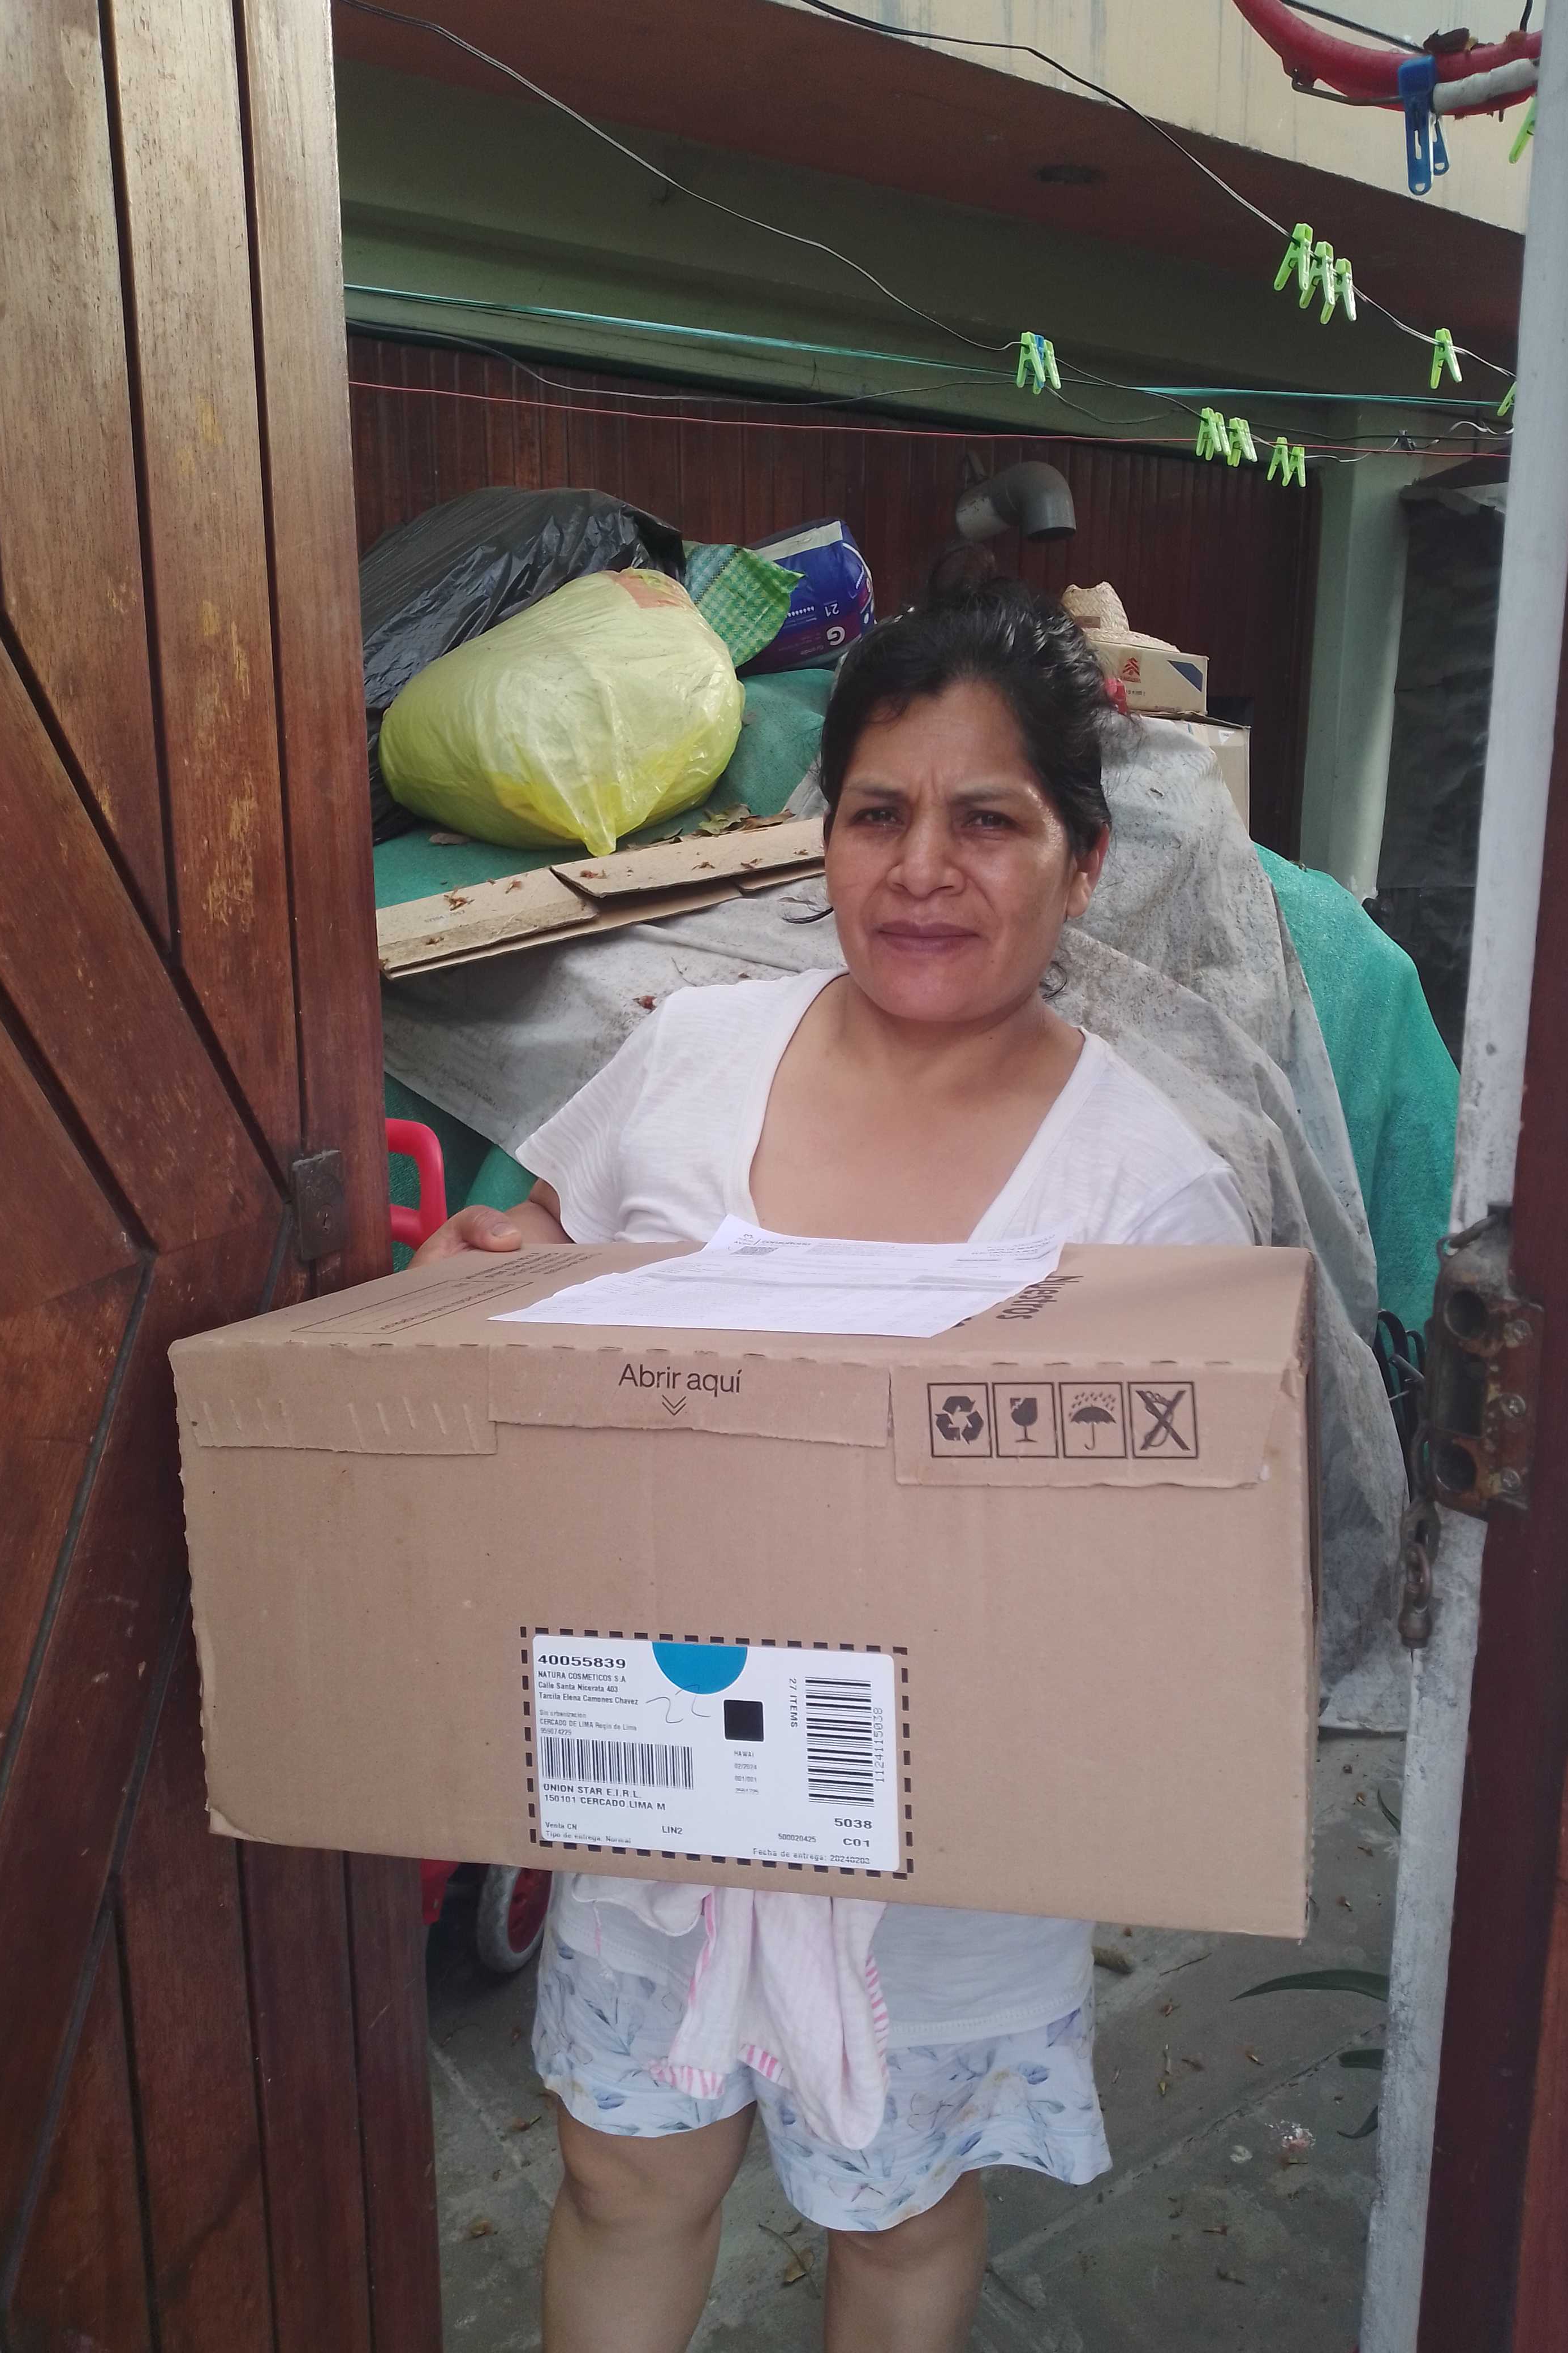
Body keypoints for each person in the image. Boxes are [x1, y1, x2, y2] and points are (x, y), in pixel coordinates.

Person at [412, 583, 1254, 2353]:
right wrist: (486, 1269)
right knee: (625, 2181)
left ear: (1084, 865)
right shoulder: (692, 1058)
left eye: (988, 821)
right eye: (878, 814)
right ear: (828, 841)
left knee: (899, 2218)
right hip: (664, 1774)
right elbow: (541, 1238)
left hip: (946, 1859)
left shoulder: (1143, 1190)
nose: (922, 868)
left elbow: (1172, 1584)